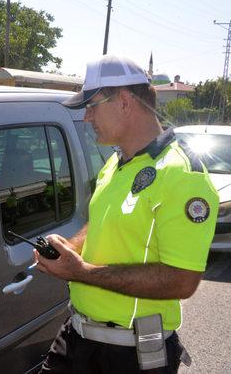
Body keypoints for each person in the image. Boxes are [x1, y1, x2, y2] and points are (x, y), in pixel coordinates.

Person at [35, 55, 219, 373]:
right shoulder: (117, 162)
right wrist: (70, 248)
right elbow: (104, 223)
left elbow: (182, 280)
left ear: (123, 101)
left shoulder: (182, 174)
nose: (86, 117)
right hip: (77, 335)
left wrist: (81, 271)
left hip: (131, 354)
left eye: (91, 106)